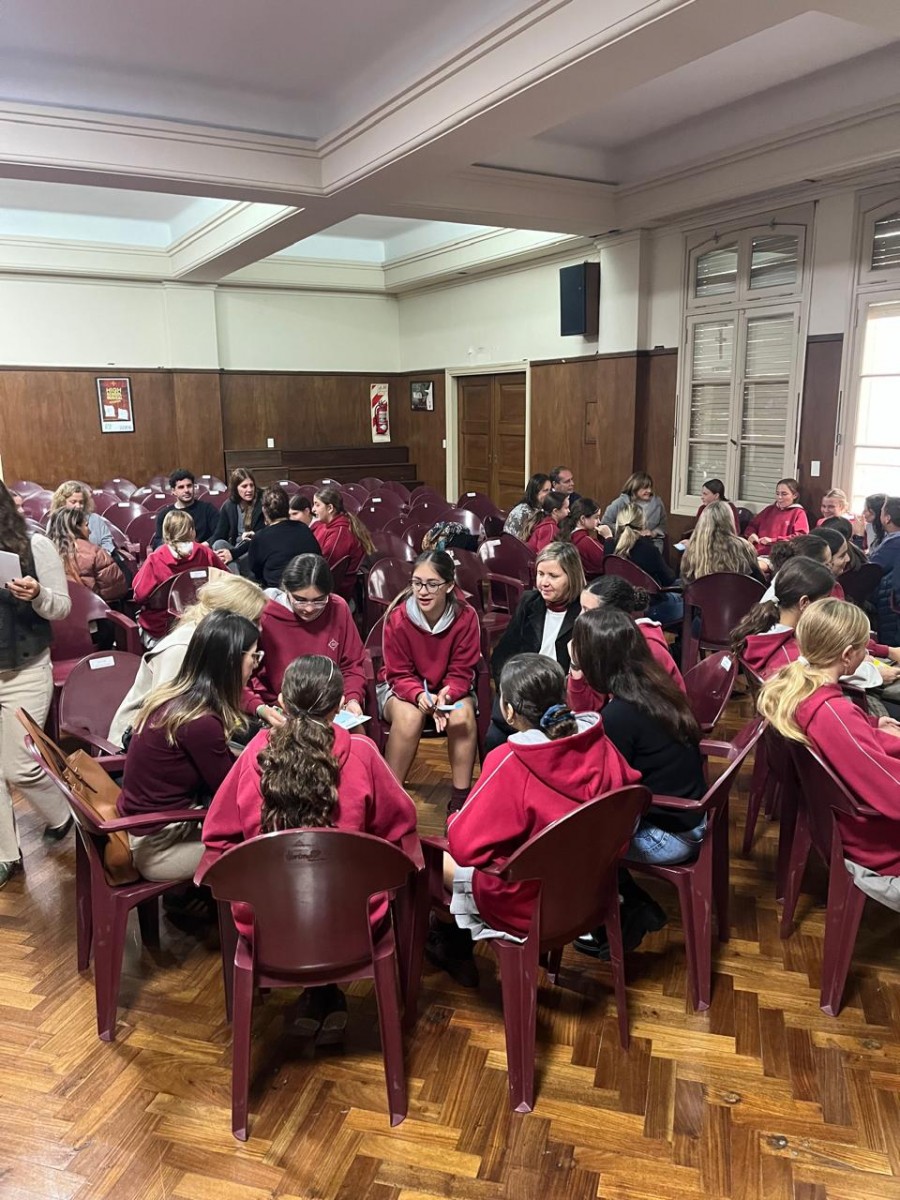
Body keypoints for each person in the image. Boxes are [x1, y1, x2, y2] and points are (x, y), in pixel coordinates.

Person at [199, 655, 419, 1039]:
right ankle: (326, 993)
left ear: (282, 702)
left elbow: (217, 835)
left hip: (267, 926)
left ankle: (316, 995)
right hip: (354, 923)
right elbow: (402, 824)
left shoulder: (254, 755)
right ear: (339, 707)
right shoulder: (363, 753)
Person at [428, 654, 641, 983]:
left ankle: (451, 948)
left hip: (526, 907)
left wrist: (456, 816)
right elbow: (629, 805)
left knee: (431, 858)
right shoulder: (600, 742)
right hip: (592, 891)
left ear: (508, 711)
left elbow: (464, 846)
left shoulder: (511, 761)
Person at [570, 605, 706, 937]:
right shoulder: (656, 686)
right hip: (692, 817)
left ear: (595, 661)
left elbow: (608, 794)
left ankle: (619, 916)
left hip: (669, 836)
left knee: (567, 837)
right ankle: (634, 904)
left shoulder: (620, 716)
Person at [757, 598, 900, 910]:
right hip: (875, 844)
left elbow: (853, 744)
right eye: (864, 649)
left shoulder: (801, 689)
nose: (867, 654)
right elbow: (890, 791)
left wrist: (873, 727)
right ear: (847, 655)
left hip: (843, 823)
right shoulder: (833, 713)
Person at [117, 611, 258, 882]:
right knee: (261, 847)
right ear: (231, 661)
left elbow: (219, 760)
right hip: (160, 845)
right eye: (254, 656)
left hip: (145, 824)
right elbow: (229, 790)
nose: (255, 665)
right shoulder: (200, 721)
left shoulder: (177, 696)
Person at [0, 481, 72, 887]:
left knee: (20, 767)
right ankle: (5, 855)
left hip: (25, 669)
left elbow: (61, 606)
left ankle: (67, 814)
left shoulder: (34, 544)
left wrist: (38, 593)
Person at [109, 574, 267, 748]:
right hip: (135, 743)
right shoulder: (181, 649)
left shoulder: (212, 638)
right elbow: (169, 719)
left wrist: (259, 708)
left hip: (190, 730)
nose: (260, 628)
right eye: (255, 620)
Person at [379, 550, 481, 814]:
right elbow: (398, 674)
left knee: (462, 716)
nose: (423, 591)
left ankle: (459, 803)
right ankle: (390, 801)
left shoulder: (466, 616)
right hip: (403, 691)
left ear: (449, 586)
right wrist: (419, 695)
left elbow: (462, 671)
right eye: (417, 583)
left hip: (449, 693)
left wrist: (447, 694)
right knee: (410, 717)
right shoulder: (398, 618)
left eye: (432, 584)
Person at [246, 554, 367, 726]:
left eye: (319, 600)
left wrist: (352, 698)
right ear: (286, 590)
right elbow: (241, 676)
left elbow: (352, 665)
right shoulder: (263, 615)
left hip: (329, 709)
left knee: (357, 737)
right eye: (300, 600)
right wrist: (260, 707)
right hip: (279, 709)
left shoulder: (338, 608)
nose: (309, 608)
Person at [488, 542, 585, 750]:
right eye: (541, 574)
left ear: (572, 577)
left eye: (553, 576)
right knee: (495, 735)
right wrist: (510, 685)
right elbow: (504, 653)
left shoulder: (583, 611)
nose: (544, 582)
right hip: (522, 686)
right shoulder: (529, 601)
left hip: (559, 694)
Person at [730, 557, 836, 677]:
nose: (828, 608)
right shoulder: (793, 659)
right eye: (825, 600)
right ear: (804, 603)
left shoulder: (763, 631)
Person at [576, 575, 684, 692]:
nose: (580, 617)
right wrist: (575, 667)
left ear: (613, 615)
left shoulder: (648, 648)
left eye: (587, 611)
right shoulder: (604, 638)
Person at [132, 511, 220, 644]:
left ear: (166, 534)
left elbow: (139, 596)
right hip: (203, 626)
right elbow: (227, 581)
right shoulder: (206, 553)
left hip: (163, 631)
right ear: (192, 532)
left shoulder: (155, 559)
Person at [607, 504, 682, 626]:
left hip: (618, 607)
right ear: (642, 524)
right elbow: (668, 579)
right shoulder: (649, 550)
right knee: (692, 603)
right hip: (649, 609)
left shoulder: (609, 546)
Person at [247, 485, 320, 588]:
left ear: (264, 510)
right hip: (311, 587)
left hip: (279, 592)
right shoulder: (304, 528)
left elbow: (256, 571)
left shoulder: (260, 537)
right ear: (287, 508)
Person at [47, 507, 127, 601]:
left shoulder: (43, 552)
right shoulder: (95, 552)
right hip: (92, 607)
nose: (89, 531)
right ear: (76, 527)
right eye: (86, 526)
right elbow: (116, 589)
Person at [679, 501, 763, 585]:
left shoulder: (692, 548)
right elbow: (759, 582)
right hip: (735, 592)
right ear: (729, 520)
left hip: (699, 593)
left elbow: (686, 582)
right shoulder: (744, 547)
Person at [311, 486, 374, 598]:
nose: (313, 510)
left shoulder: (341, 533)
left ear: (330, 508)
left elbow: (327, 569)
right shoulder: (319, 525)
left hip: (333, 590)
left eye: (317, 505)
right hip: (320, 581)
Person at [150, 469, 219, 549]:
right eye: (181, 487)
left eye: (189, 486)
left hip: (203, 551)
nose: (186, 490)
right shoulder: (164, 514)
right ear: (173, 491)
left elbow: (219, 533)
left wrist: (201, 546)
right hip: (175, 553)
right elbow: (158, 541)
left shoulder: (207, 509)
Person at [212, 468, 264, 570]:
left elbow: (260, 537)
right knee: (219, 544)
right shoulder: (229, 505)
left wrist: (233, 554)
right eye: (244, 486)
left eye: (251, 485)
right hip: (235, 549)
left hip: (252, 549)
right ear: (236, 488)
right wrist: (212, 552)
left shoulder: (261, 504)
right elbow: (219, 534)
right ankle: (236, 575)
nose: (249, 490)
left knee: (231, 558)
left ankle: (235, 577)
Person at [48, 480, 116, 554]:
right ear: (62, 502)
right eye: (73, 502)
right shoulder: (55, 521)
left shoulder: (95, 519)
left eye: (81, 502)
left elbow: (107, 543)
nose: (78, 506)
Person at [744, 478, 809, 553]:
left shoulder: (798, 513)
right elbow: (752, 526)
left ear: (795, 495)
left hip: (780, 554)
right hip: (757, 552)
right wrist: (751, 534)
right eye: (777, 494)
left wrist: (773, 540)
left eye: (784, 494)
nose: (779, 497)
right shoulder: (769, 510)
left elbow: (800, 537)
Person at [601, 472, 667, 545]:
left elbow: (663, 526)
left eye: (650, 487)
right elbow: (605, 523)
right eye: (645, 488)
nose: (649, 491)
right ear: (635, 487)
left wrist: (653, 533)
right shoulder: (620, 503)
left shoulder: (658, 503)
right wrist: (628, 531)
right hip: (625, 543)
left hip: (652, 542)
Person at [871, 497, 900, 647]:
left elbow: (870, 570)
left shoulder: (894, 542)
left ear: (887, 518)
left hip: (892, 610)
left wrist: (857, 538)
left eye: (882, 512)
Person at [558, 497, 609, 579]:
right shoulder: (586, 541)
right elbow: (610, 563)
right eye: (596, 517)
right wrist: (608, 538)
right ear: (582, 519)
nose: (599, 522)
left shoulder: (568, 536)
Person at [503, 473, 551, 541]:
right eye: (545, 491)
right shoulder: (521, 512)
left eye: (550, 490)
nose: (549, 494)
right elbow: (512, 539)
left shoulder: (540, 509)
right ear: (535, 492)